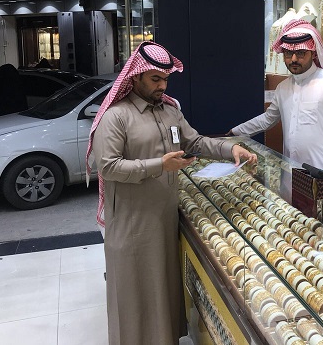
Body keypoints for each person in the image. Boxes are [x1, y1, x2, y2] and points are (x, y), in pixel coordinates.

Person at [86, 41, 257, 345]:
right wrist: (159, 165)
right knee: (133, 290)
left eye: (165, 79)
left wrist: (229, 148)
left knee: (161, 287)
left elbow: (195, 142)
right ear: (136, 76)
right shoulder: (116, 116)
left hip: (164, 218)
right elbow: (108, 167)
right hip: (132, 221)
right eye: (155, 79)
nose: (162, 86)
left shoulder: (169, 112)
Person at [229, 19, 323, 184]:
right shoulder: (283, 88)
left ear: (313, 53)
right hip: (292, 173)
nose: (293, 59)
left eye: (301, 53)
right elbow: (267, 119)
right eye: (288, 53)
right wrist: (236, 133)